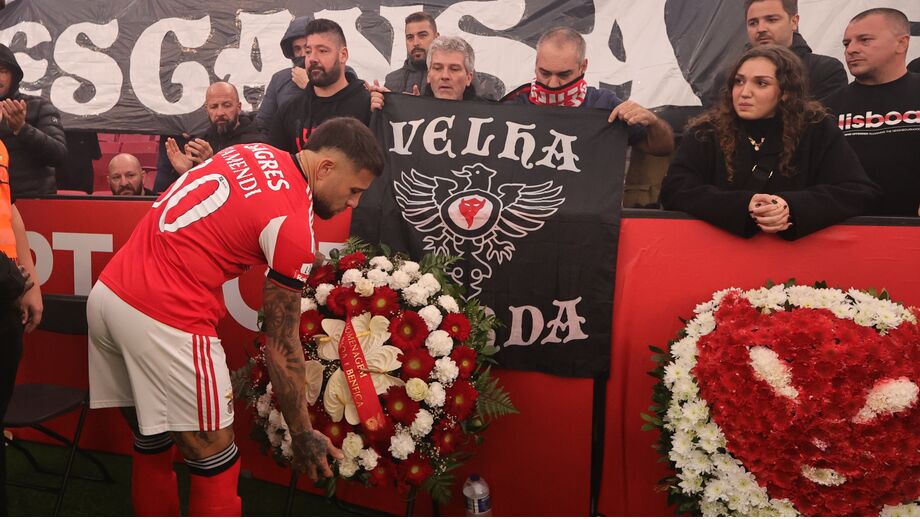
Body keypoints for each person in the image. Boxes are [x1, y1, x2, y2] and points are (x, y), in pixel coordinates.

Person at [87, 117, 384, 516]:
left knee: (152, 440)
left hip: (108, 296)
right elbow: (282, 345)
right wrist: (301, 432)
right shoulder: (294, 224)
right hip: (165, 317)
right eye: (354, 190)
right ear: (327, 167)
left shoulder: (253, 151)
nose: (354, 203)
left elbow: (234, 212)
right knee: (215, 460)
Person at [661, 45, 880, 240]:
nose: (744, 92)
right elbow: (676, 189)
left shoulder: (816, 128)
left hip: (799, 265)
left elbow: (857, 191)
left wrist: (790, 207)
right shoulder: (706, 131)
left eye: (761, 83)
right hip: (721, 257)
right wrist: (744, 205)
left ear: (784, 92)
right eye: (739, 81)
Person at [505, 26, 674, 156]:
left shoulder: (604, 105)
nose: (553, 84)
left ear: (583, 66)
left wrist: (653, 122)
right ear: (536, 64)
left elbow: (662, 148)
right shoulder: (514, 106)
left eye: (564, 74)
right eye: (545, 73)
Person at [828, 8, 920, 217]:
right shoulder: (826, 108)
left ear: (902, 43)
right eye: (846, 43)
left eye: (864, 40)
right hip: (850, 232)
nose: (851, 49)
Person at [0, 137, 42, 515]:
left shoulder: (0, 145)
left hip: (6, 297)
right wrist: (16, 283)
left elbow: (9, 210)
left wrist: (30, 280)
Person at [701, 0, 847, 108]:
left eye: (771, 20)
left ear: (794, 21)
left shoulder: (826, 71)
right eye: (753, 23)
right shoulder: (727, 77)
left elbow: (824, 132)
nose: (761, 29)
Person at [269, 19, 371, 153]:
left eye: (322, 51)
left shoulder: (368, 105)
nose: (312, 58)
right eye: (308, 51)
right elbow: (276, 165)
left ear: (343, 55)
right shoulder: (289, 110)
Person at [384, 12, 503, 101]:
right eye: (410, 37)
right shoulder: (391, 80)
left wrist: (421, 108)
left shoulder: (465, 73)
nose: (415, 42)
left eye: (422, 35)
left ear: (437, 37)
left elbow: (480, 110)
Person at [0, 44, 67, 196]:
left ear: (14, 76)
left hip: (32, 202)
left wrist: (22, 129)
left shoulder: (39, 107)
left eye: (2, 71)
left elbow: (59, 155)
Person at [163, 82, 263, 179]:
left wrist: (211, 163)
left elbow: (252, 183)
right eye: (214, 107)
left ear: (239, 107)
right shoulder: (198, 144)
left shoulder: (257, 144)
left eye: (227, 105)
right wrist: (187, 173)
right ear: (207, 109)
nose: (219, 113)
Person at [370, 36, 486, 111]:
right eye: (437, 68)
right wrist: (392, 105)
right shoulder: (412, 110)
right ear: (429, 75)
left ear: (469, 77)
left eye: (454, 69)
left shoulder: (489, 117)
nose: (445, 76)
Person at [256, 16, 312, 134]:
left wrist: (309, 86)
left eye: (307, 48)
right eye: (297, 49)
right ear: (291, 51)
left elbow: (343, 117)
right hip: (286, 149)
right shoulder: (280, 79)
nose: (302, 54)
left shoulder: (338, 73)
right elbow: (263, 123)